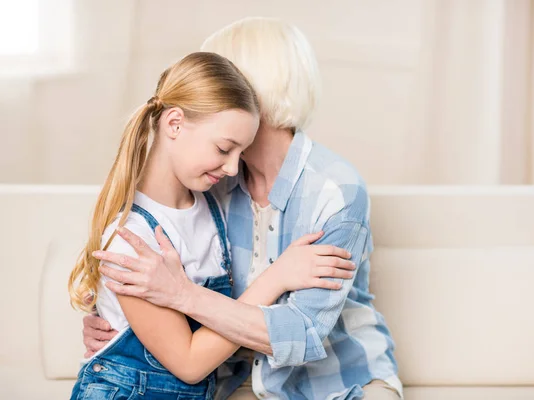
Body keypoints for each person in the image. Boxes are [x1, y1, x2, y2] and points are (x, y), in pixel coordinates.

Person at [85, 17, 403, 399]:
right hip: (238, 377)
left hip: (336, 381)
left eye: (225, 76)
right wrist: (120, 327)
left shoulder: (334, 191)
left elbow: (301, 335)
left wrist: (182, 296)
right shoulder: (209, 182)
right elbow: (158, 287)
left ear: (253, 92)